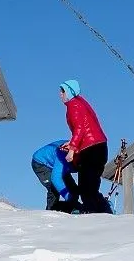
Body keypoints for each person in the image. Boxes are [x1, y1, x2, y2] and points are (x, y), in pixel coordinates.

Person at [59, 79, 109, 213]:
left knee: (86, 190)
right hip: (99, 147)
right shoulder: (81, 103)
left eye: (62, 91)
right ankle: (105, 215)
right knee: (91, 189)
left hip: (90, 150)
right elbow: (86, 128)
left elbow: (79, 128)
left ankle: (94, 217)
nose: (60, 94)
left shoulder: (73, 105)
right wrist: (72, 143)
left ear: (69, 92)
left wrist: (72, 149)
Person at [30, 139, 75, 211]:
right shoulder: (63, 154)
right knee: (54, 188)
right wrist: (68, 197)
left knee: (73, 188)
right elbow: (56, 179)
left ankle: (72, 209)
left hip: (58, 163)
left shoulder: (83, 153)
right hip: (41, 163)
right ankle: (51, 212)